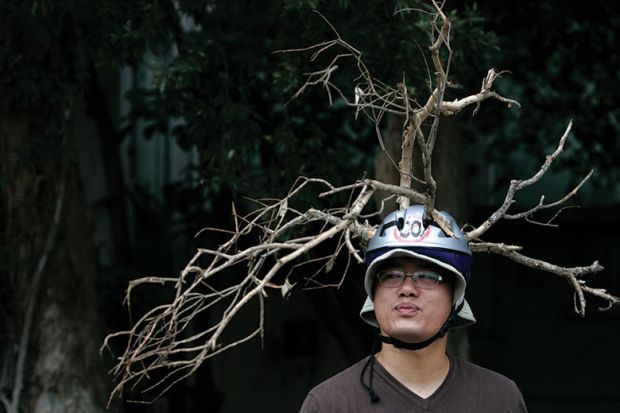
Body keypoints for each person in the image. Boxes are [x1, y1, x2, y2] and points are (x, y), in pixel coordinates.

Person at [299, 205, 528, 412]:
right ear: (373, 293)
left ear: (456, 296)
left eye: (427, 276)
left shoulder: (499, 399)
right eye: (391, 275)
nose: (407, 289)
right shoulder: (330, 404)